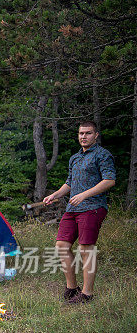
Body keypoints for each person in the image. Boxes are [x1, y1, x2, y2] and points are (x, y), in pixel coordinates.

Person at [43, 121, 116, 304]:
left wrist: (84, 195)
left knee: (85, 249)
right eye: (81, 133)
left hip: (93, 207)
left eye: (88, 133)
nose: (83, 136)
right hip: (73, 209)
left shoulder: (102, 155)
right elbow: (69, 182)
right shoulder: (75, 158)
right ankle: (71, 288)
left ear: (96, 135)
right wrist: (55, 194)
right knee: (61, 246)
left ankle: (87, 294)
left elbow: (109, 180)